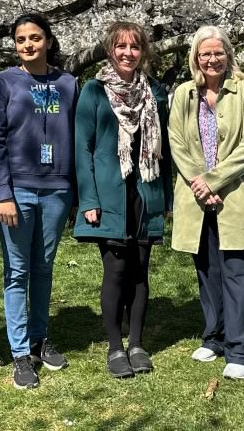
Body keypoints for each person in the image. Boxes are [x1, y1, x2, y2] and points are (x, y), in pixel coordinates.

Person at [74, 22, 172, 379]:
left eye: (134, 47)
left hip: (145, 190)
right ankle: (115, 347)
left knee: (140, 270)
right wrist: (88, 198)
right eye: (120, 47)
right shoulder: (93, 92)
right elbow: (82, 148)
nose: (127, 53)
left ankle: (137, 344)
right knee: (116, 269)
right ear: (110, 50)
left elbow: (166, 151)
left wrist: (169, 197)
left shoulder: (156, 93)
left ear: (143, 52)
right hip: (109, 192)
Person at [0, 14, 78, 390]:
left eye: (35, 37)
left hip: (57, 189)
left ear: (48, 40)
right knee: (18, 272)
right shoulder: (5, 83)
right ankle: (20, 353)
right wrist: (3, 193)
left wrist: (74, 192)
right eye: (21, 39)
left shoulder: (69, 84)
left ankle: (40, 339)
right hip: (18, 191)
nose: (28, 45)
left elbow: (77, 135)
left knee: (43, 267)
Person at [168, 26, 244, 381]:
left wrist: (212, 181)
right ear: (196, 57)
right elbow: (176, 140)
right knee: (207, 268)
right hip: (195, 195)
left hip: (235, 192)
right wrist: (198, 183)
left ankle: (241, 349)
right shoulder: (183, 93)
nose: (212, 59)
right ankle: (215, 336)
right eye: (205, 53)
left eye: (218, 53)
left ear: (229, 55)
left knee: (238, 270)